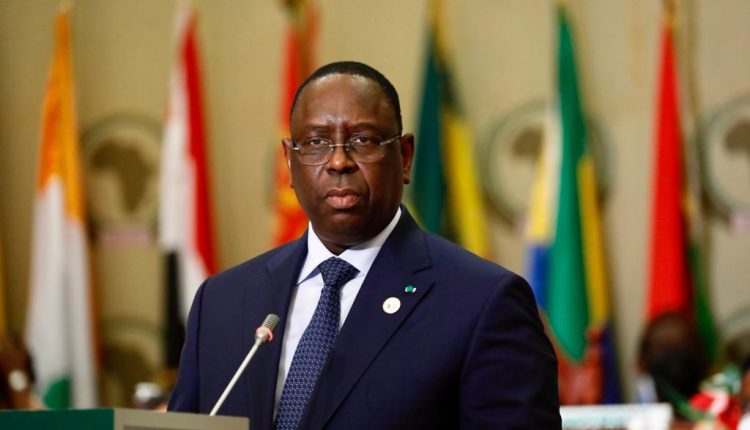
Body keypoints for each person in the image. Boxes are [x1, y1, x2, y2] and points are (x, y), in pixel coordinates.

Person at [168, 61, 561, 429]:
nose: (339, 162)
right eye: (316, 142)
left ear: (404, 157)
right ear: (289, 161)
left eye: (363, 140)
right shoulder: (222, 301)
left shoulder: (483, 301)